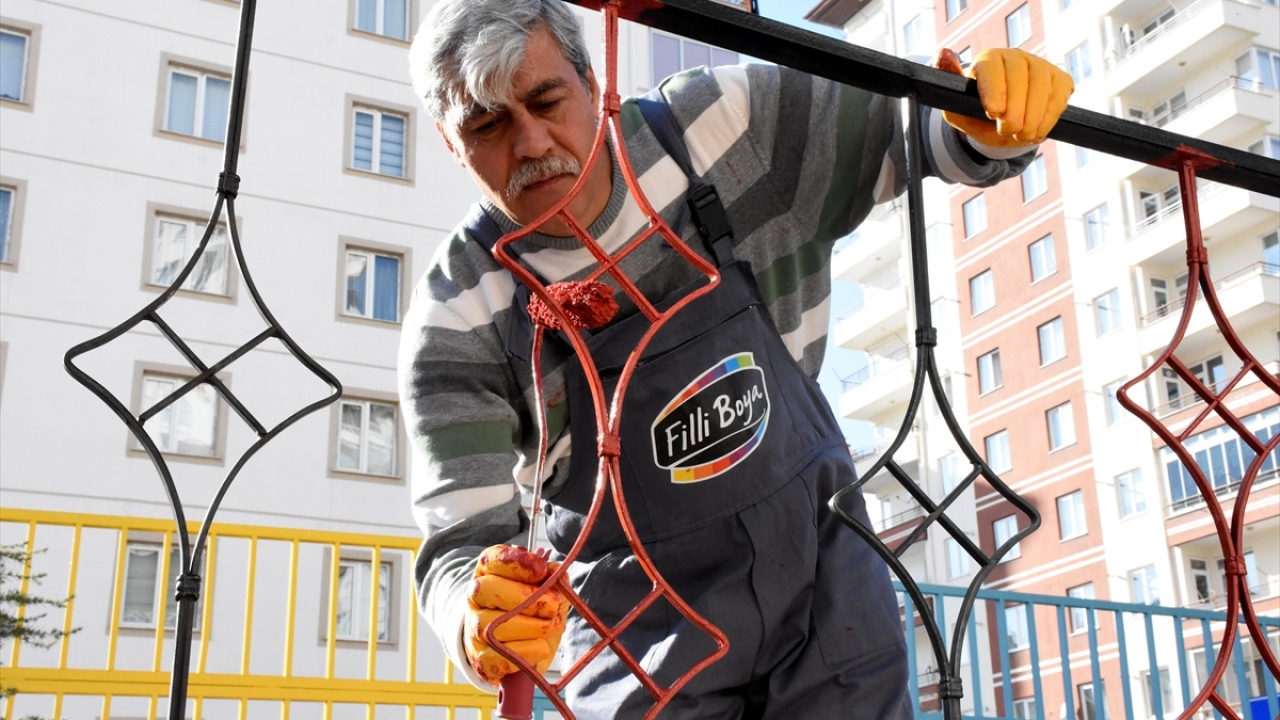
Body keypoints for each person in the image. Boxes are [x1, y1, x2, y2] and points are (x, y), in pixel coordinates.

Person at [400, 1, 1073, 717]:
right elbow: (458, 546)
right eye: (488, 125)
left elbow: (916, 136)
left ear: (593, 83)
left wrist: (989, 116)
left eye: (545, 100)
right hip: (635, 643)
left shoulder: (722, 129)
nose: (532, 142)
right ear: (450, 142)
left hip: (824, 592)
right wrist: (477, 619)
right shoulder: (457, 317)